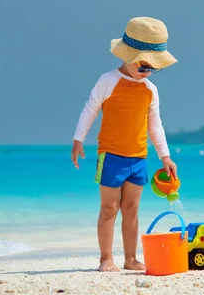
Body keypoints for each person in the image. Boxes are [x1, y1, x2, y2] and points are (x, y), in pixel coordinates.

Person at [70, 16, 179, 272]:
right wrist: (78, 140)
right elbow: (90, 109)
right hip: (111, 156)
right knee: (109, 208)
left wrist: (165, 157)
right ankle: (105, 258)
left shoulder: (150, 89)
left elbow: (155, 124)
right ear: (127, 56)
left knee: (131, 208)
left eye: (153, 68)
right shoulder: (108, 81)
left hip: (139, 158)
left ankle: (130, 259)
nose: (147, 72)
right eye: (143, 66)